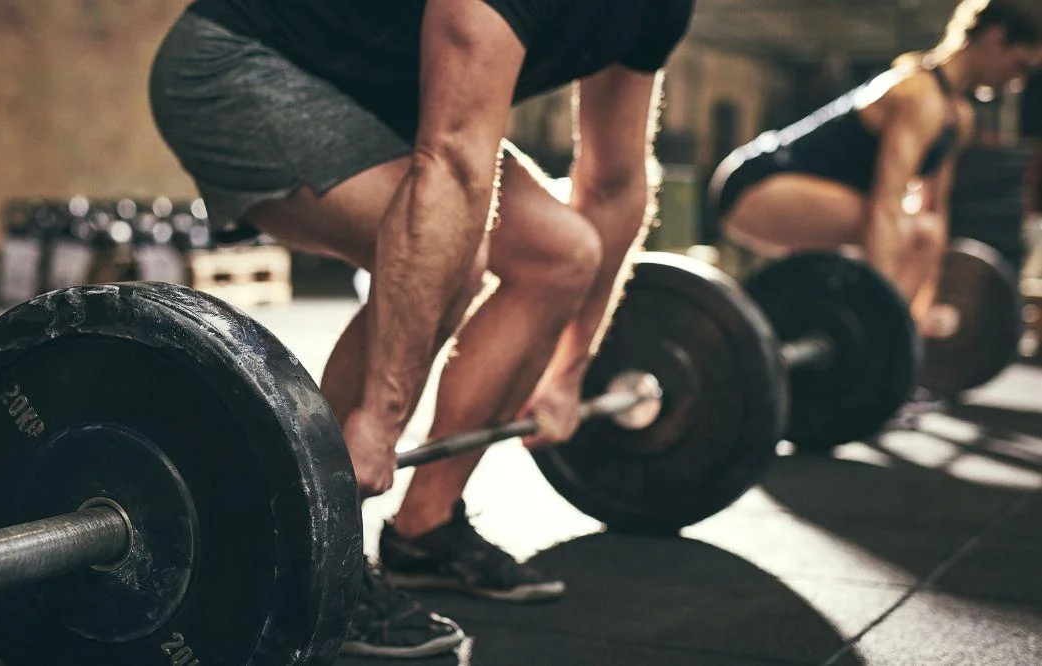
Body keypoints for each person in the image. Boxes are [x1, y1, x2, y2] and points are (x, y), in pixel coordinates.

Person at [149, 0, 693, 658]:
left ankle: (424, 530)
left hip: (380, 98)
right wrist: (378, 420)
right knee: (452, 257)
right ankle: (309, 560)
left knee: (561, 254)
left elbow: (613, 182)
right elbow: (454, 163)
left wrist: (569, 370)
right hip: (237, 66)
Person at [709, 0, 1041, 338]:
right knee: (908, 230)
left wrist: (924, 306)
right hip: (753, 185)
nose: (1017, 82)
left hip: (810, 196)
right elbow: (885, 207)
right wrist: (880, 315)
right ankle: (877, 330)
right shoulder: (919, 94)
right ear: (996, 38)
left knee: (923, 230)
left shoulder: (958, 117)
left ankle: (889, 331)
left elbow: (935, 211)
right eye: (1021, 66)